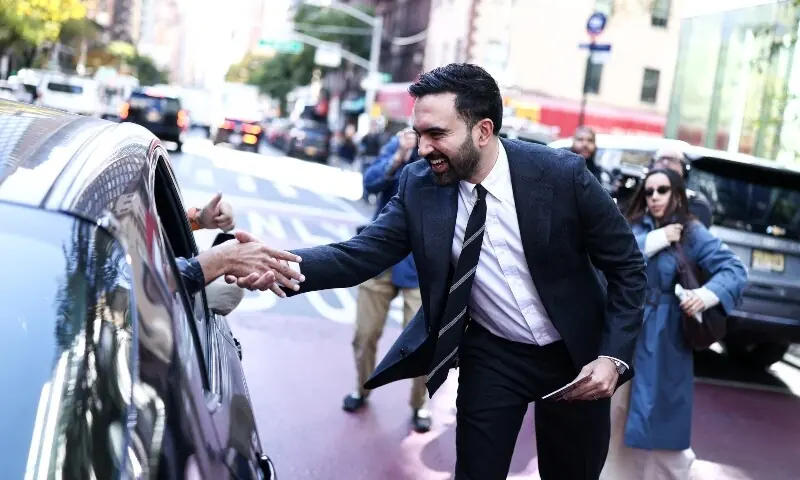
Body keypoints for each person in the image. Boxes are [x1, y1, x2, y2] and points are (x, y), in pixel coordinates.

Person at [228, 63, 647, 480]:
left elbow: (627, 266)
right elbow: (359, 254)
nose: (423, 148)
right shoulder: (418, 186)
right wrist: (277, 265)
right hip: (494, 355)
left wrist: (612, 358)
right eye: (420, 133)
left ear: (483, 131)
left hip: (577, 356)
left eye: (437, 135)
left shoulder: (561, 176)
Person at [601, 168, 747, 480]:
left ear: (677, 193)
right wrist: (651, 241)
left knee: (663, 419)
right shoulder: (634, 227)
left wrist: (706, 295)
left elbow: (734, 270)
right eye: (649, 191)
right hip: (627, 329)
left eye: (663, 190)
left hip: (667, 338)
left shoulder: (691, 232)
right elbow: (608, 260)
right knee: (615, 415)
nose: (654, 197)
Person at [343, 127, 431, 433]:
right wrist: (398, 157)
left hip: (421, 265)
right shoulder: (399, 142)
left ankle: (420, 405)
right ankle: (361, 389)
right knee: (365, 334)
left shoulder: (446, 148)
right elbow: (370, 182)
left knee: (424, 343)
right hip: (380, 260)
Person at [650, 147, 713, 227]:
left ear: (684, 170)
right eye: (660, 159)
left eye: (672, 159)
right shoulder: (639, 199)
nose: (665, 163)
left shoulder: (696, 203)